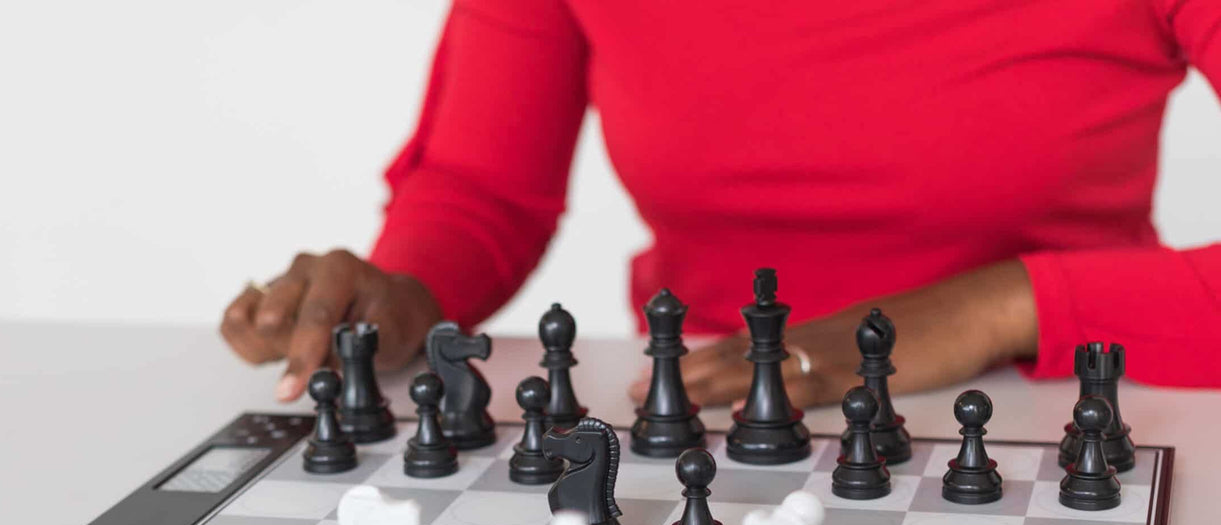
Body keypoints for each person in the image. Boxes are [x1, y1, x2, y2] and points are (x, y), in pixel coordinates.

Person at [220, 0, 1221, 408]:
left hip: (1084, 396)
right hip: (705, 408)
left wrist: (996, 308)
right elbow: (483, 188)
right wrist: (406, 290)